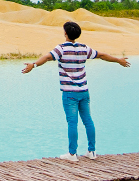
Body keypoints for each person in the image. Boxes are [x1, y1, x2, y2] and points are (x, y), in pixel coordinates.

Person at [22, 20, 129, 161]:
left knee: (72, 123)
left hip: (69, 94)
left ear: (65, 34)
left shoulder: (61, 49)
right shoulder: (84, 48)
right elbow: (102, 55)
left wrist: (33, 65)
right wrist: (118, 60)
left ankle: (72, 154)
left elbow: (48, 57)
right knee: (88, 120)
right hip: (84, 91)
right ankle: (92, 151)